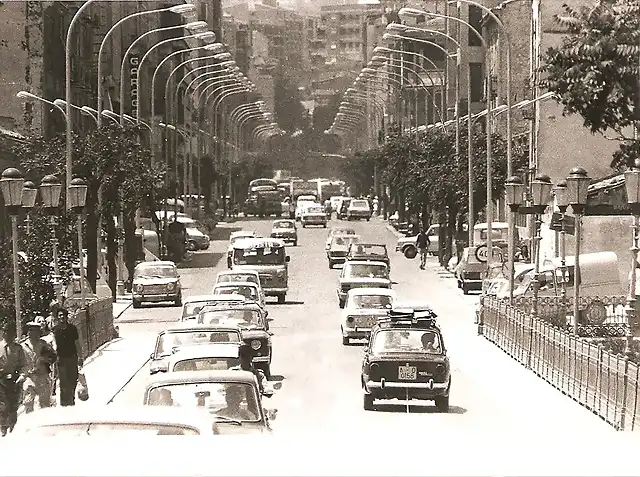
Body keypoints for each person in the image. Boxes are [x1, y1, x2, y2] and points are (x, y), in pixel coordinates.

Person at [22, 320, 57, 413]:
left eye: (35, 331)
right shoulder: (23, 346)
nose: (32, 333)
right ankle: (29, 423)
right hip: (29, 377)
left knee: (45, 405)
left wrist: (45, 360)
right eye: (31, 331)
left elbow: (53, 357)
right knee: (28, 401)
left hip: (42, 376)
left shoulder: (44, 344)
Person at [0, 322, 27, 436]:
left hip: (14, 381)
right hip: (1, 380)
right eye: (5, 331)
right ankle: (3, 427)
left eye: (10, 332)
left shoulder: (18, 348)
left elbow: (24, 364)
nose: (8, 334)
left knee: (13, 405)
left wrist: (22, 376)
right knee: (2, 405)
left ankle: (12, 427)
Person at [52, 309, 82, 406]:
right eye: (60, 315)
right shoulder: (55, 330)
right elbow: (54, 345)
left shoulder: (72, 329)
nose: (62, 317)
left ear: (66, 316)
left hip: (72, 357)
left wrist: (80, 357)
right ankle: (64, 402)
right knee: (63, 381)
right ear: (57, 317)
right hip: (61, 359)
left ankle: (71, 400)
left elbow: (77, 343)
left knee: (73, 379)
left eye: (63, 315)